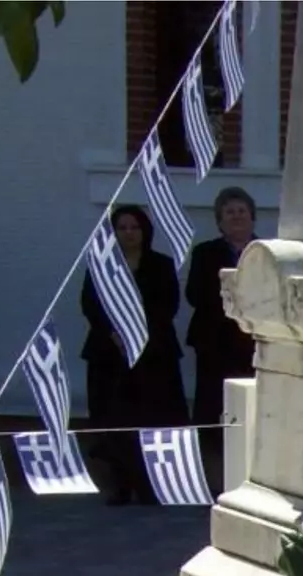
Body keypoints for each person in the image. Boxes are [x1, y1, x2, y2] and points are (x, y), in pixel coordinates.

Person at [80, 203, 187, 506]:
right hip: (109, 354)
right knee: (114, 420)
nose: (129, 233)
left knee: (154, 418)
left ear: (145, 231)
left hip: (154, 354)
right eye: (122, 228)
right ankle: (120, 484)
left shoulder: (162, 265)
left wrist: (138, 333)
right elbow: (90, 304)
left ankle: (154, 485)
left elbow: (167, 306)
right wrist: (114, 333)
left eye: (134, 227)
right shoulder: (100, 265)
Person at [185, 187, 259, 456]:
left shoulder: (267, 253)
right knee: (212, 402)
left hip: (253, 342)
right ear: (219, 221)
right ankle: (211, 464)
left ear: (252, 217)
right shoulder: (205, 253)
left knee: (251, 403)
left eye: (242, 211)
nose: (236, 216)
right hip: (214, 342)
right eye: (229, 212)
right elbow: (194, 295)